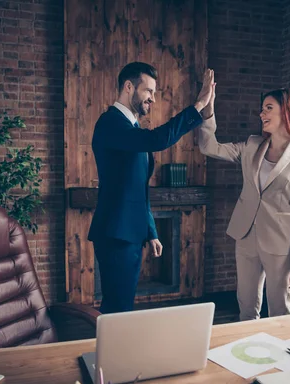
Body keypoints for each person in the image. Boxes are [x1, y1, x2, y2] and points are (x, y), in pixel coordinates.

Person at [88, 62, 214, 314]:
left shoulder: (132, 129)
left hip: (131, 235)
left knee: (122, 307)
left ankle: (115, 353)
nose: (153, 99)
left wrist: (151, 230)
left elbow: (138, 190)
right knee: (117, 309)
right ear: (128, 86)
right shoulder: (110, 123)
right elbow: (157, 139)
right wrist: (197, 106)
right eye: (148, 91)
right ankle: (109, 354)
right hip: (115, 235)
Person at [197, 82, 290, 320]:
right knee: (246, 307)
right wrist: (208, 110)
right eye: (262, 109)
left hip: (280, 244)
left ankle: (278, 356)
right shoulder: (253, 145)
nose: (262, 113)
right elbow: (209, 147)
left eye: (268, 108)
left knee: (280, 311)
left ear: (286, 111)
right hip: (245, 237)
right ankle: (248, 355)